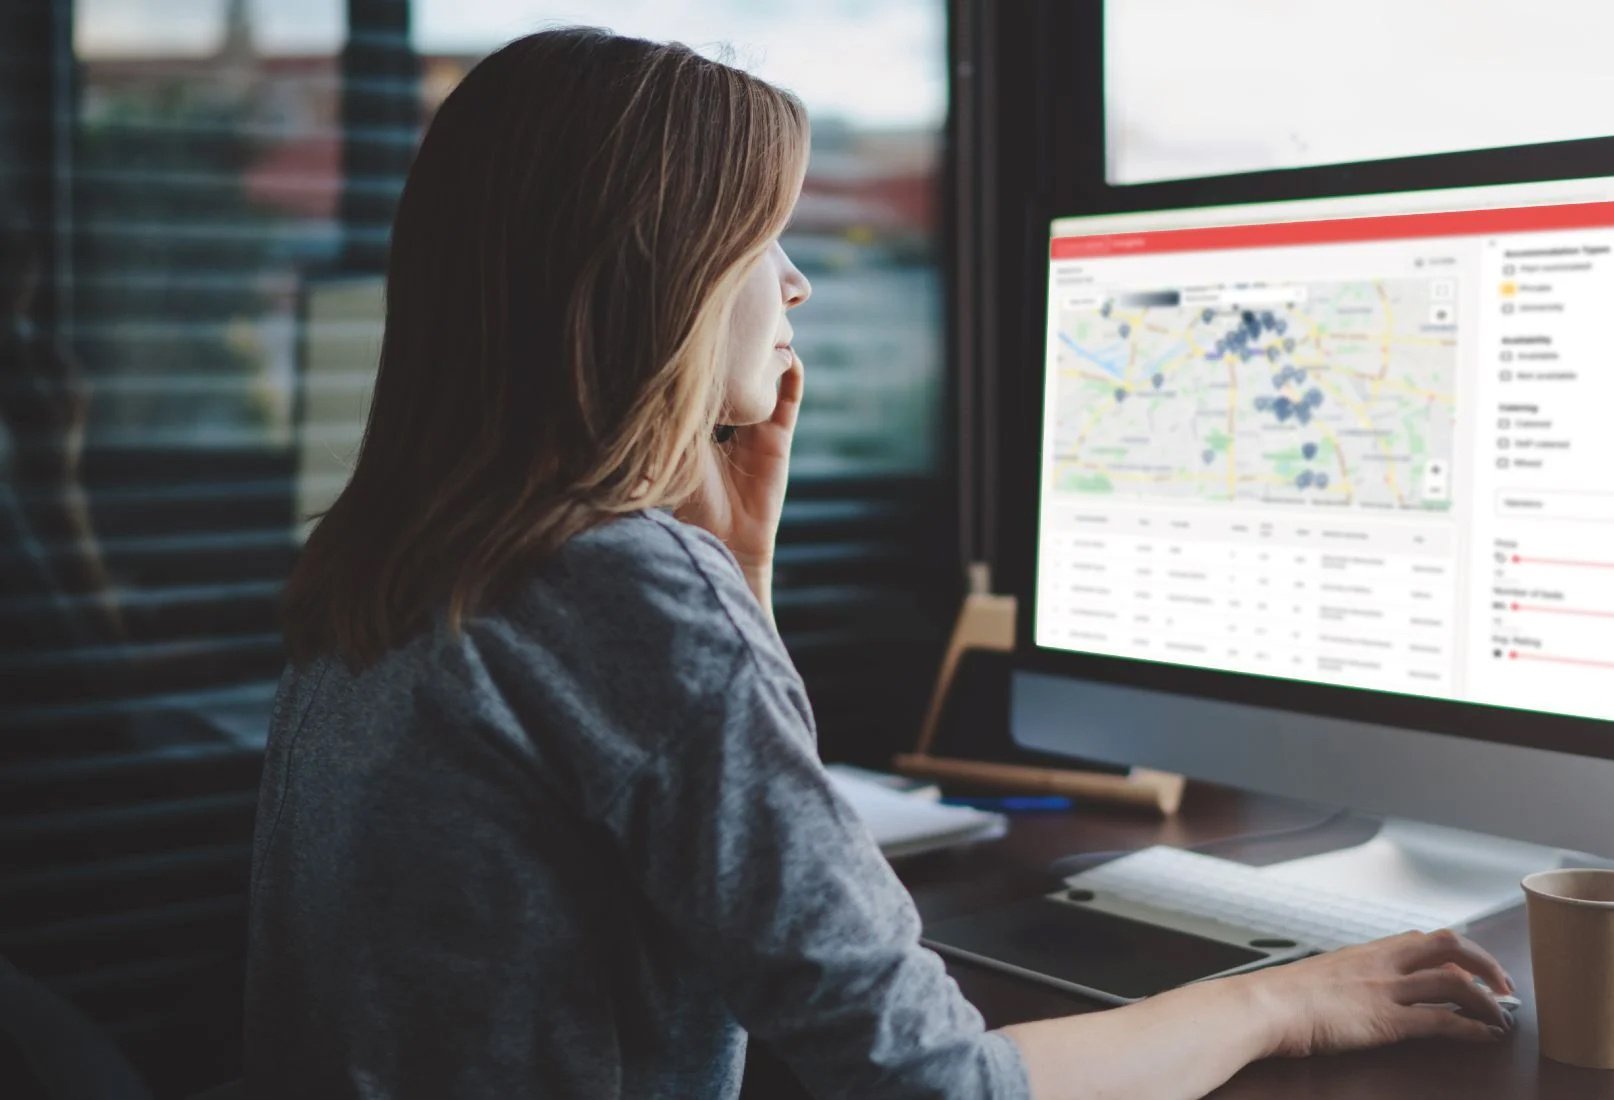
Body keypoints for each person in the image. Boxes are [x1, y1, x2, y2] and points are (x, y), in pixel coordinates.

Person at [244, 26, 1517, 1099]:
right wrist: (1277, 1007)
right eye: (762, 242)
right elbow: (933, 1081)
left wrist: (731, 573)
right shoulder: (617, 588)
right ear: (660, 277)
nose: (794, 284)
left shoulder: (396, 561)